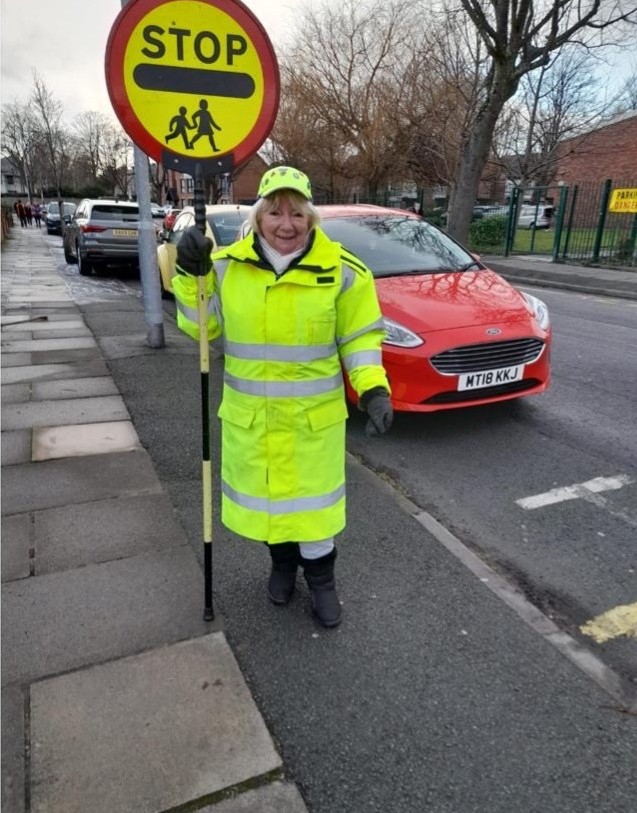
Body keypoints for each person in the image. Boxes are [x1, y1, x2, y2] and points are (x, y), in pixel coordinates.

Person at [173, 166, 393, 628]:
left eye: (297, 213)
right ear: (258, 217)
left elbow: (359, 338)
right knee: (270, 509)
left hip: (312, 425)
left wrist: (373, 388)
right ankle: (281, 567)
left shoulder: (344, 272)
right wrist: (189, 273)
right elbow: (201, 328)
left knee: (314, 515)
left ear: (312, 218)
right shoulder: (225, 267)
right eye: (275, 212)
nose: (286, 224)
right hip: (253, 421)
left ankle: (322, 583)